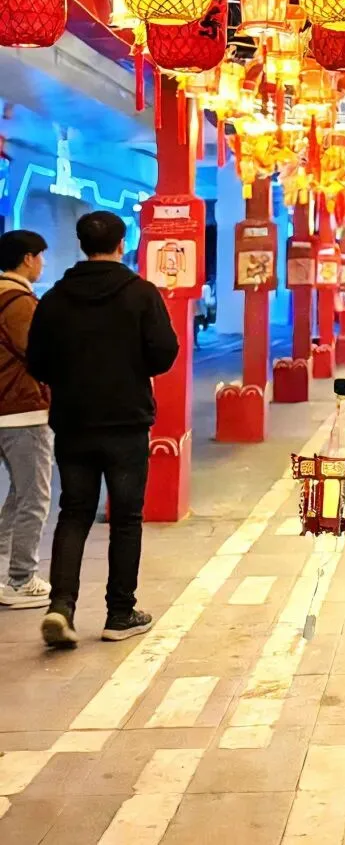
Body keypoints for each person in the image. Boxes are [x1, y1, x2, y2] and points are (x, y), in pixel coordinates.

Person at [26, 211, 179, 649]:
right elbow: (164, 353)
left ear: (81, 244)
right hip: (126, 422)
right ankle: (120, 612)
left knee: (74, 512)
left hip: (73, 421)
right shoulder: (141, 293)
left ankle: (61, 607)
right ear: (121, 244)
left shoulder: (55, 298)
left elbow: (37, 362)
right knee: (126, 517)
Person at [0, 230, 52, 609]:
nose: (43, 264)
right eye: (41, 256)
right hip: (22, 410)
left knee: (19, 494)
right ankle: (20, 580)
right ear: (28, 258)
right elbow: (39, 354)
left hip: (7, 410)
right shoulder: (18, 302)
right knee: (35, 496)